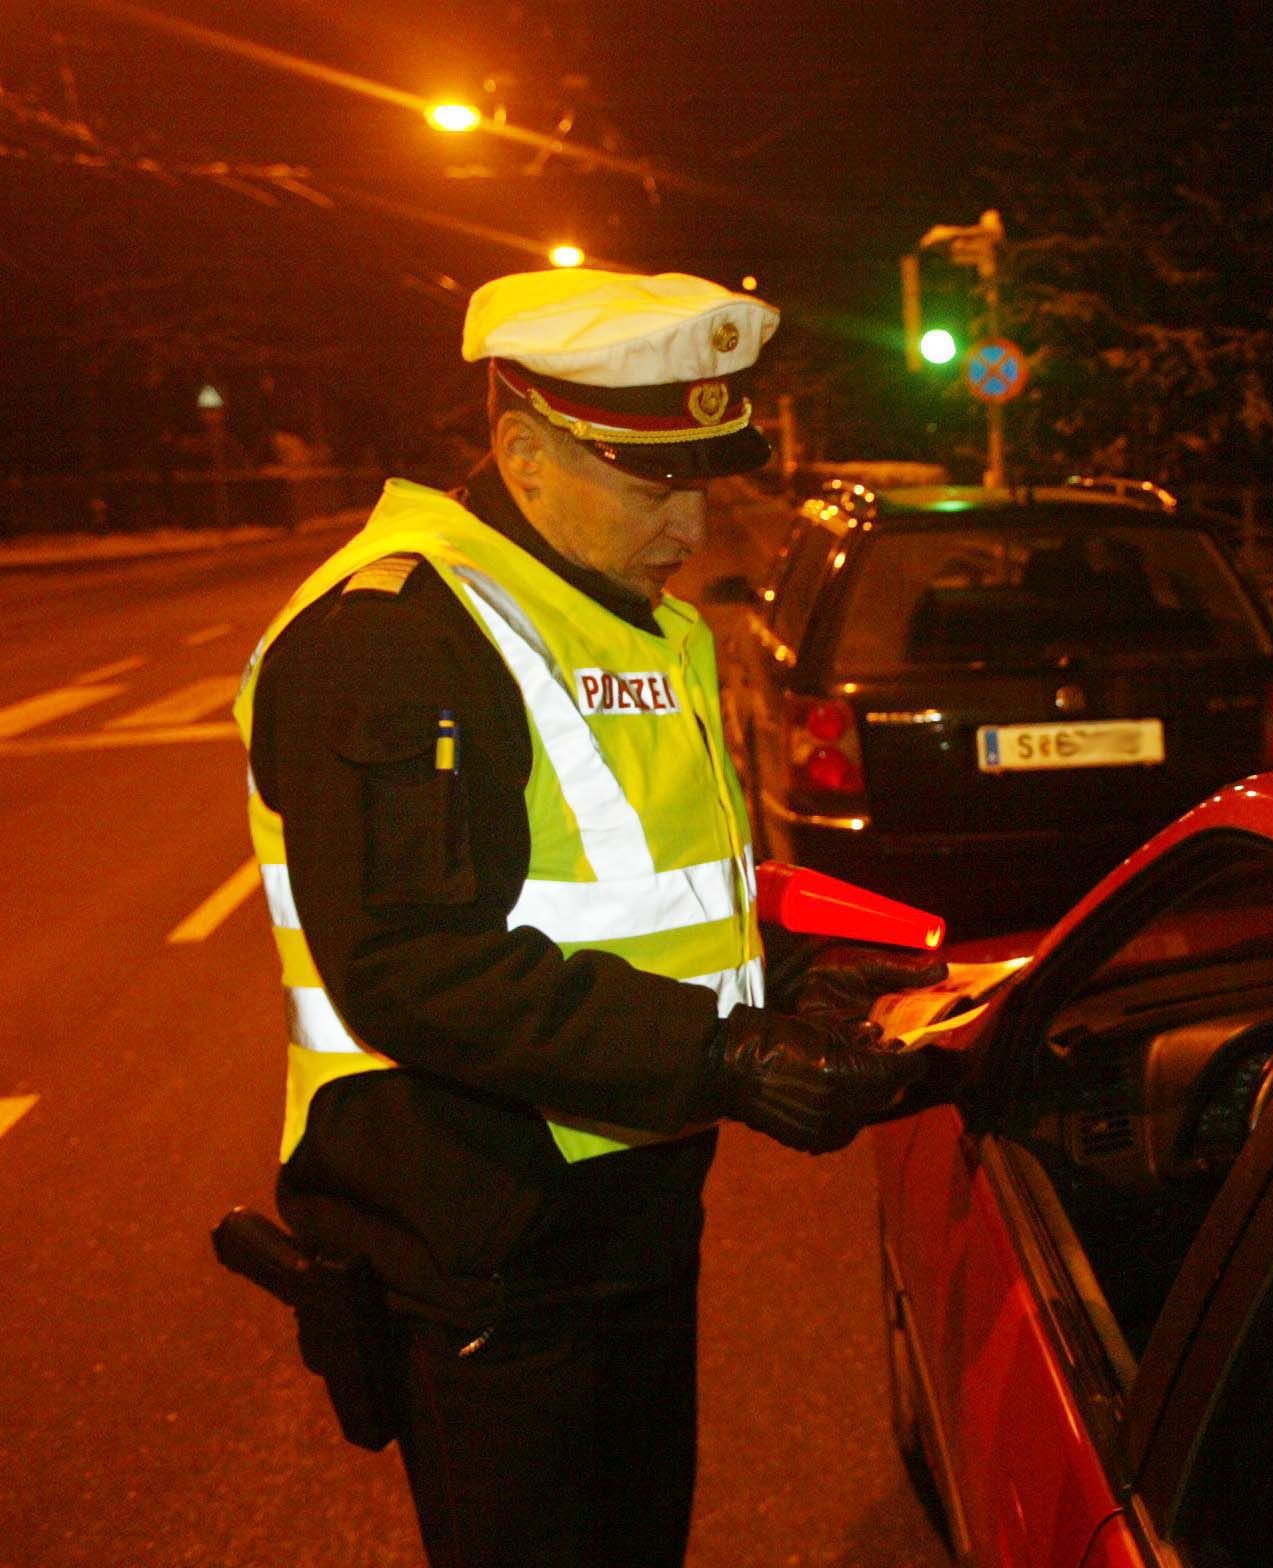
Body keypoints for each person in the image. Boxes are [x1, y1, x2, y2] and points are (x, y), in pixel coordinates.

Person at [233, 268, 955, 1568]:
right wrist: (723, 1056)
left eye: (705, 475)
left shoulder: (625, 617)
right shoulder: (398, 635)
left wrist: (787, 982)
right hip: (482, 1235)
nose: (693, 517)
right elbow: (409, 963)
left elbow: (633, 898)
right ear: (522, 448)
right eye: (651, 480)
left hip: (620, 1202)